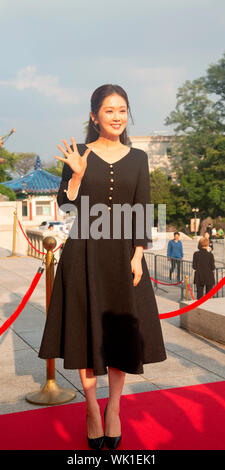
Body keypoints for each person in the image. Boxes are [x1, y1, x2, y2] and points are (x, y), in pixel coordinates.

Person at [38, 84, 167, 450]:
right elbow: (66, 209)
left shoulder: (139, 158)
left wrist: (139, 254)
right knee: (85, 332)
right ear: (94, 116)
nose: (116, 116)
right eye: (109, 110)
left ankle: (114, 408)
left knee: (120, 335)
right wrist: (76, 175)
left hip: (124, 258)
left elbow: (142, 208)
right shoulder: (77, 153)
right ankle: (92, 409)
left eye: (122, 110)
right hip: (83, 253)